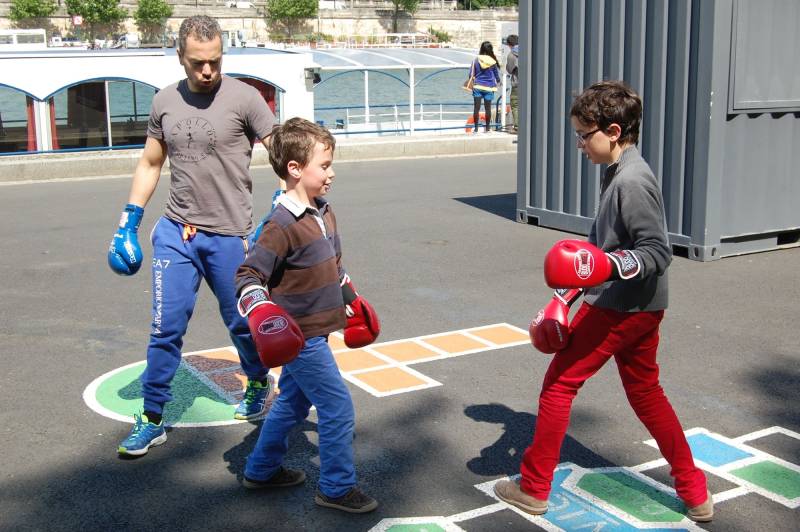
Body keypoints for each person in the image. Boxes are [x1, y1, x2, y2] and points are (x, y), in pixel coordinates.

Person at [494, 80, 714, 523]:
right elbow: (596, 250)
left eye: (584, 134)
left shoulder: (632, 181)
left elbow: (657, 251)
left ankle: (534, 488)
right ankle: (695, 492)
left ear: (613, 131)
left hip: (620, 307)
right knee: (647, 393)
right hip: (639, 307)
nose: (579, 144)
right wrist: (564, 297)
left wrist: (605, 272)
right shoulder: (618, 171)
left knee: (559, 386)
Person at [108, 15, 278, 456]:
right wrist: (129, 219)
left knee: (241, 323)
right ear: (180, 56)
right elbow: (150, 162)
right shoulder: (164, 101)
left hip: (230, 236)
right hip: (175, 233)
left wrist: (284, 204)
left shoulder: (246, 98)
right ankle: (152, 417)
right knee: (165, 330)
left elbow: (283, 153)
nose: (208, 71)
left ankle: (258, 380)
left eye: (215, 62)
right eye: (198, 63)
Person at [233, 117, 379, 513]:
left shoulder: (323, 211)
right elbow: (248, 275)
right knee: (337, 407)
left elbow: (332, 263)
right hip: (300, 337)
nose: (332, 173)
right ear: (295, 169)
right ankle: (335, 488)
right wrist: (262, 311)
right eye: (325, 165)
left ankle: (260, 470)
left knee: (292, 404)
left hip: (320, 328)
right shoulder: (280, 224)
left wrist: (351, 297)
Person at [468, 41, 501, 134]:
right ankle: (487, 129)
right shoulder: (492, 61)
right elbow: (496, 75)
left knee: (476, 108)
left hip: (477, 87)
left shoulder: (475, 60)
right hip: (489, 88)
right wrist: (499, 82)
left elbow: (471, 74)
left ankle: (476, 129)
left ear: (481, 49)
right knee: (488, 109)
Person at [504, 34, 519, 133]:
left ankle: (517, 127)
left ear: (509, 45)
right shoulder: (529, 50)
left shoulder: (512, 55)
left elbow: (509, 70)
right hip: (531, 84)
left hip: (517, 84)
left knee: (515, 104)